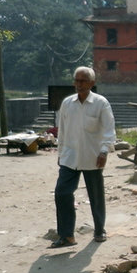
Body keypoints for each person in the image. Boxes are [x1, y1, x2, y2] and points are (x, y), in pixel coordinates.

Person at [51, 66, 116, 247]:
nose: (78, 84)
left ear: (91, 83)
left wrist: (104, 151)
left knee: (96, 195)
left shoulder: (101, 103)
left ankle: (99, 229)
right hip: (70, 156)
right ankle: (67, 236)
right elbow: (62, 130)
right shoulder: (67, 103)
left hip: (92, 156)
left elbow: (109, 130)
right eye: (76, 80)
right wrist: (61, 152)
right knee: (62, 193)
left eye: (83, 81)